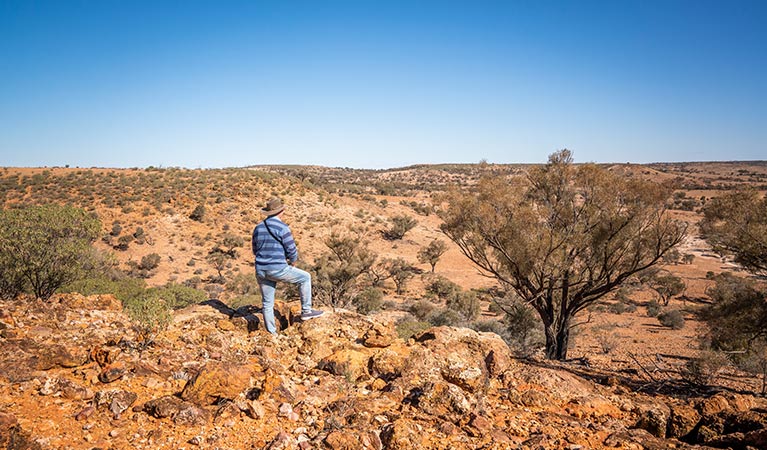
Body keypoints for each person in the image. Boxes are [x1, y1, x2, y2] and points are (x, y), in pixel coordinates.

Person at [252, 196, 323, 334]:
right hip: (277, 268)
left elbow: (255, 250)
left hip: (261, 268)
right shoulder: (283, 228)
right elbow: (291, 249)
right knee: (305, 278)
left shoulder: (258, 228)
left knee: (267, 303)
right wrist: (293, 261)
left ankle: (271, 334)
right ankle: (306, 311)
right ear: (281, 211)